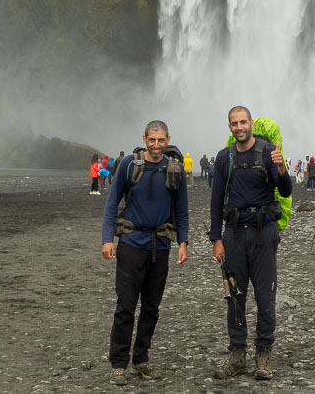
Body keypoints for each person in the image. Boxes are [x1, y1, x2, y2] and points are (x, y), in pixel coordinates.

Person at [101, 120, 189, 385]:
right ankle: (118, 364)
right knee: (125, 306)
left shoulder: (174, 169)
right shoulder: (129, 165)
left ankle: (140, 359)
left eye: (161, 140)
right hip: (131, 245)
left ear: (168, 139)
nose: (156, 145)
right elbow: (111, 204)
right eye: (152, 140)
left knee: (151, 307)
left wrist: (183, 243)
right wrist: (108, 240)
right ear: (145, 138)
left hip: (160, 247)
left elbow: (182, 211)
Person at [210, 106, 292, 381]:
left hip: (263, 233)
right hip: (233, 234)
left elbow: (285, 190)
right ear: (230, 126)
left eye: (243, 122)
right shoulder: (225, 157)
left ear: (251, 123)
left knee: (265, 295)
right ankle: (237, 355)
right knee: (235, 297)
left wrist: (281, 168)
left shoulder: (269, 151)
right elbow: (216, 198)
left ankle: (263, 354)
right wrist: (216, 238)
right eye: (234, 123)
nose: (239, 127)